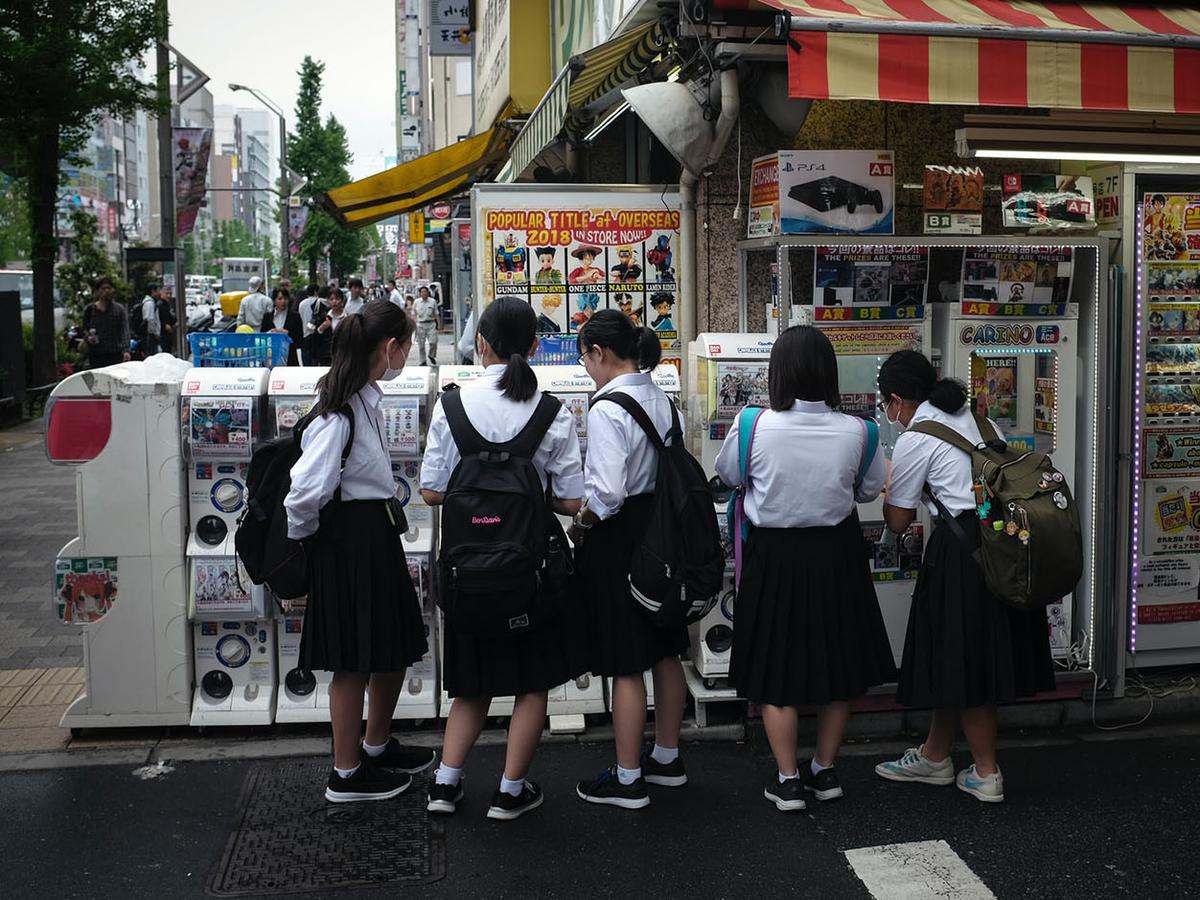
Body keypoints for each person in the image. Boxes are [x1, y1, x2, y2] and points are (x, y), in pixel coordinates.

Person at [714, 326, 895, 812]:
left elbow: (729, 475)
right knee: (839, 665)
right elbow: (867, 489)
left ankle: (789, 778)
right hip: (837, 557)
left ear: (778, 373)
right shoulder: (862, 430)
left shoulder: (753, 424)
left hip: (774, 557)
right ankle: (826, 769)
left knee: (776, 669)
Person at [420, 297, 584, 821]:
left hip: (467, 574)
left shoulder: (451, 405)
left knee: (472, 684)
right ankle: (510, 792)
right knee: (530, 683)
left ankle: (446, 785)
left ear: (482, 344)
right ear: (535, 347)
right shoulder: (551, 410)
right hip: (529, 574)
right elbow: (573, 499)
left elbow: (430, 491)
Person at [874, 350, 1055, 804]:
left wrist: (888, 484)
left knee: (968, 656)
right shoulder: (977, 419)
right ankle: (935, 756)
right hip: (1002, 543)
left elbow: (897, 520)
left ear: (897, 400)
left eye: (885, 404)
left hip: (962, 553)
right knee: (956, 654)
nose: (887, 413)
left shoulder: (918, 437)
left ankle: (986, 770)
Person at [284, 302, 435, 802]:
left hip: (372, 541)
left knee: (390, 650)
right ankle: (345, 773)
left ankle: (375, 746)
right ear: (390, 348)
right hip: (349, 546)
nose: (409, 354)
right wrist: (312, 543)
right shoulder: (340, 413)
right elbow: (303, 494)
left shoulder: (365, 401)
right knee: (353, 662)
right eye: (407, 345)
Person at [570, 310, 690, 810]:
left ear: (599, 353)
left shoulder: (606, 408)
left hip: (621, 539)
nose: (586, 371)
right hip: (663, 534)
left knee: (624, 661)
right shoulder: (662, 398)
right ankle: (666, 757)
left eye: (585, 360)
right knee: (664, 647)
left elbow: (609, 491)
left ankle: (627, 778)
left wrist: (583, 521)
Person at [80, 277, 131, 368]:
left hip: (115, 353)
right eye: (103, 288)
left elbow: (124, 330)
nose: (106, 291)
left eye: (109, 288)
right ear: (97, 291)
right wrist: (89, 338)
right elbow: (84, 329)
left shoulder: (119, 309)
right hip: (96, 354)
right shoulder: (90, 310)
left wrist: (126, 350)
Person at [262, 287, 304, 366]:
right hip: (272, 358)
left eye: (285, 298)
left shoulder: (295, 317)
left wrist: (288, 333)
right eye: (280, 299)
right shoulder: (267, 317)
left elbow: (300, 340)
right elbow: (262, 337)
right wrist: (270, 333)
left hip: (290, 359)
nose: (283, 301)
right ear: (274, 300)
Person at [306, 286, 346, 366]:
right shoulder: (324, 316)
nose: (334, 302)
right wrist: (321, 328)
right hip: (326, 356)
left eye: (337, 299)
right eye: (331, 299)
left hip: (343, 354)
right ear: (328, 301)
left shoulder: (347, 317)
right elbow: (315, 336)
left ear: (342, 301)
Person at [413, 285, 440, 366]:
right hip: (420, 325)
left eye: (425, 292)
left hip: (431, 324)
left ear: (428, 293)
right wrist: (414, 324)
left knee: (433, 342)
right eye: (422, 292)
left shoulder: (433, 301)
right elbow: (414, 314)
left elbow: (436, 314)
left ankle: (431, 355)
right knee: (421, 345)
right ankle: (423, 361)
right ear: (420, 293)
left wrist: (439, 324)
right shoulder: (416, 302)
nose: (424, 293)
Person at [140, 282, 162, 356]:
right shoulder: (149, 303)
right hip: (150, 336)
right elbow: (150, 320)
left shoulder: (151, 302)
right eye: (158, 290)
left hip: (151, 335)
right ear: (153, 291)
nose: (160, 292)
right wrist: (155, 333)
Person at [156, 287, 177, 355]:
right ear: (161, 294)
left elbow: (170, 317)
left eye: (170, 294)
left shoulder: (168, 305)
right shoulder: (159, 305)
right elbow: (156, 320)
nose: (169, 296)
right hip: (162, 334)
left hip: (168, 334)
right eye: (166, 293)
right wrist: (164, 326)